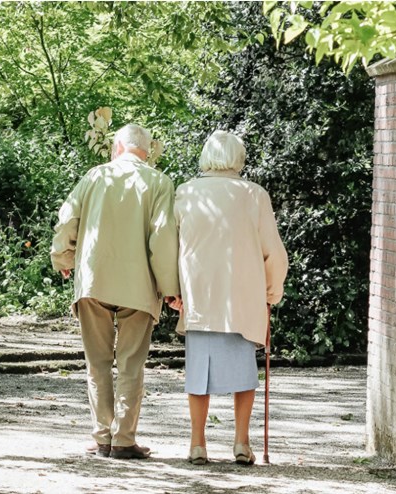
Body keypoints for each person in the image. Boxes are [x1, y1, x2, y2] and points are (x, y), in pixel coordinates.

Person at [51, 123, 181, 460]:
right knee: (130, 364)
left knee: (97, 363)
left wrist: (63, 257)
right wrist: (170, 289)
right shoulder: (159, 182)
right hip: (138, 286)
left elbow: (67, 221)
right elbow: (163, 237)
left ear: (117, 147)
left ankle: (102, 438)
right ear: (147, 150)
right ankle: (123, 440)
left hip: (94, 280)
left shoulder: (94, 176)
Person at [172, 130, 288, 466]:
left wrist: (173, 291)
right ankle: (241, 442)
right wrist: (271, 291)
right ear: (239, 158)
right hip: (243, 297)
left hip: (200, 295)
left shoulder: (186, 193)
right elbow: (274, 253)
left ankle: (197, 443)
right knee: (244, 373)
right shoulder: (254, 195)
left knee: (198, 374)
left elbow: (171, 246)